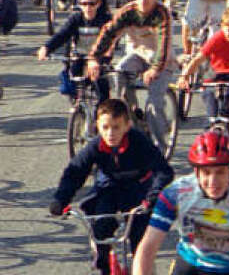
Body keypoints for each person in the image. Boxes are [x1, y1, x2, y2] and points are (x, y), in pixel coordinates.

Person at [50, 99, 175, 274]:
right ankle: (104, 266)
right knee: (100, 227)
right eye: (105, 127)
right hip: (108, 189)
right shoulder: (95, 146)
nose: (110, 134)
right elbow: (75, 172)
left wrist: (152, 197)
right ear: (97, 127)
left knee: (140, 238)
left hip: (138, 190)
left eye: (116, 127)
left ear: (127, 125)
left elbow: (164, 171)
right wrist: (60, 199)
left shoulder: (139, 142)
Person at [133, 130, 229, 275]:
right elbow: (148, 247)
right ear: (196, 172)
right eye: (206, 173)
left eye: (220, 172)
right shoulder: (175, 194)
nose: (213, 182)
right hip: (192, 266)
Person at [86, 0, 175, 154]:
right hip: (137, 53)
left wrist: (155, 69)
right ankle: (131, 111)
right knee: (119, 72)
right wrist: (94, 58)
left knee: (153, 105)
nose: (144, 0)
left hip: (161, 60)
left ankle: (160, 149)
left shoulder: (162, 14)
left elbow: (164, 45)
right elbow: (108, 32)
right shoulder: (128, 12)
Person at [176, 8, 229, 163]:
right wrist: (184, 77)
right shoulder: (217, 39)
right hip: (217, 76)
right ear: (222, 26)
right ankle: (204, 146)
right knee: (212, 115)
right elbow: (198, 59)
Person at [38, 0, 113, 102]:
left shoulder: (105, 20)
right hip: (78, 57)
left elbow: (110, 43)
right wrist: (46, 48)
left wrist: (99, 60)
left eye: (91, 4)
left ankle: (100, 115)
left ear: (99, 3)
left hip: (99, 59)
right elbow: (62, 35)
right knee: (70, 86)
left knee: (102, 91)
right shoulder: (76, 18)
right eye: (84, 4)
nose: (87, 7)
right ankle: (78, 108)